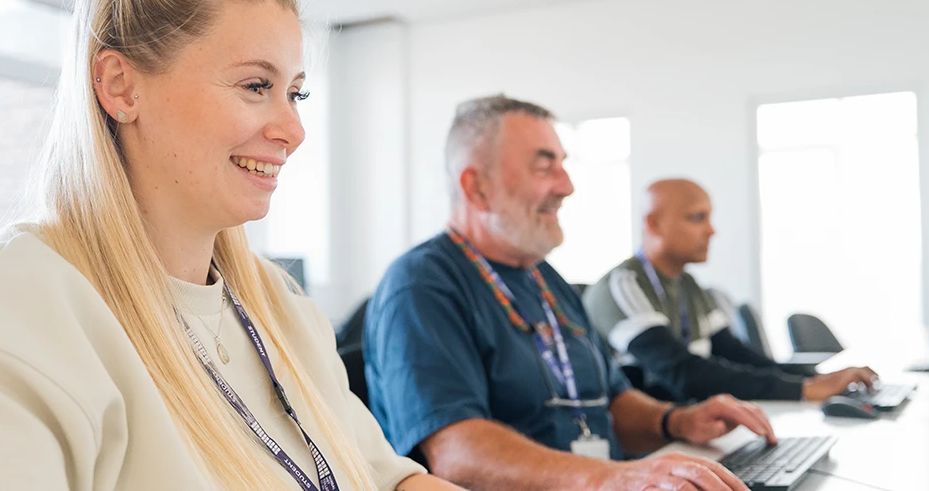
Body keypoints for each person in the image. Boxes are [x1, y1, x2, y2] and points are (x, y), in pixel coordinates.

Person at [0, 0, 462, 491]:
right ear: (120, 86)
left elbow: (386, 478)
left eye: (294, 93)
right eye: (256, 85)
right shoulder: (13, 310)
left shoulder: (279, 305)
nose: (294, 131)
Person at [364, 95, 776, 491]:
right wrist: (612, 479)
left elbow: (611, 401)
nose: (567, 186)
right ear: (477, 187)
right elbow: (457, 455)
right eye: (545, 168)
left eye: (563, 165)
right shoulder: (422, 285)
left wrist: (677, 421)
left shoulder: (545, 277)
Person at [582, 179, 878, 402]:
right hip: (653, 446)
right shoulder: (624, 285)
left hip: (697, 427)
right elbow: (683, 373)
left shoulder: (688, 285)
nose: (712, 230)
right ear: (654, 223)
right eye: (697, 218)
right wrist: (802, 390)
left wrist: (814, 377)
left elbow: (736, 354)